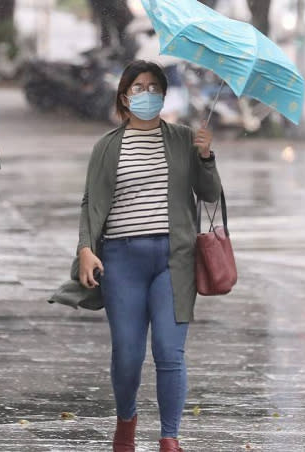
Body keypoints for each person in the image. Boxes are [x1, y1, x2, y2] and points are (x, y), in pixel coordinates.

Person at [74, 60, 222, 452]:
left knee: (169, 352)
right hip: (121, 261)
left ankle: (169, 437)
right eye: (138, 87)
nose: (146, 94)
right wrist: (86, 249)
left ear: (164, 93)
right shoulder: (107, 146)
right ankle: (126, 421)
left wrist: (206, 158)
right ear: (124, 96)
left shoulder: (183, 138)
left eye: (154, 87)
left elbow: (208, 194)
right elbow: (91, 201)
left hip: (174, 261)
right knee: (127, 353)